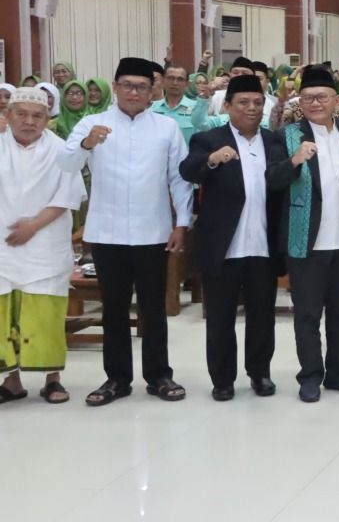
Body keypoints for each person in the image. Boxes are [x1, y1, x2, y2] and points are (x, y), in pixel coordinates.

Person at [61, 57, 192, 406]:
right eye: (127, 86)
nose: (134, 92)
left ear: (152, 91)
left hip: (153, 232)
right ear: (116, 87)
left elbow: (179, 178)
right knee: (114, 309)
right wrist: (87, 144)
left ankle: (159, 374)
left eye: (142, 87)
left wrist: (182, 222)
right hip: (108, 233)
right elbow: (65, 164)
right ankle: (117, 378)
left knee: (154, 307)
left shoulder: (166, 128)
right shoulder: (93, 124)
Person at [180, 74, 288, 399]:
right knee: (220, 318)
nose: (251, 108)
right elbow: (188, 170)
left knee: (262, 317)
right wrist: (212, 160)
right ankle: (222, 380)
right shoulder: (208, 139)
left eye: (257, 102)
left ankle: (260, 374)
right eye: (243, 102)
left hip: (262, 246)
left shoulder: (274, 141)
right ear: (227, 106)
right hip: (223, 247)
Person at [272, 65, 339, 402]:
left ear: (335, 100)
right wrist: (294, 161)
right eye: (309, 98)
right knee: (308, 313)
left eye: (322, 97)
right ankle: (310, 375)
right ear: (300, 102)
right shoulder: (287, 136)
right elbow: (272, 181)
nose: (315, 103)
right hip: (306, 238)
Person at [0, 86, 85, 407]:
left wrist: (32, 226)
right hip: (3, 249)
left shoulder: (61, 150)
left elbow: (67, 197)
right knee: (6, 314)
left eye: (37, 116)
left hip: (45, 247)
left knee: (46, 314)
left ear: (48, 118)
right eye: (21, 114)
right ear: (8, 116)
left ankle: (52, 378)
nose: (29, 122)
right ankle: (11, 380)